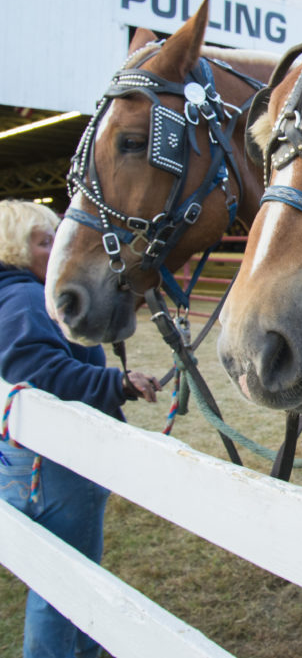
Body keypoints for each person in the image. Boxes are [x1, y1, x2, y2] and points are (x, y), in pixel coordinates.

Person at [0, 199, 161, 658]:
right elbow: (40, 370)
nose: (54, 251)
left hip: (21, 454)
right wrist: (117, 383)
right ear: (14, 248)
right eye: (43, 242)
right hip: (56, 460)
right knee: (64, 582)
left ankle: (85, 648)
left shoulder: (13, 295)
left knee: (56, 571)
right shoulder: (27, 298)